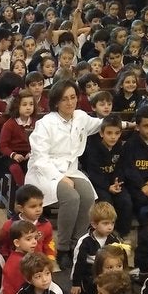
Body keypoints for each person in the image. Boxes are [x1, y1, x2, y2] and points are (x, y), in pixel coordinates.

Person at [26, 80, 105, 264]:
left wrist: (129, 124)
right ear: (56, 103)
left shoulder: (80, 116)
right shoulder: (46, 123)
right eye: (64, 99)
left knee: (87, 196)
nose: (70, 103)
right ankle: (62, 248)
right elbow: (39, 157)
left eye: (73, 98)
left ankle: (76, 243)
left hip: (70, 169)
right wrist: (60, 177)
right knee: (71, 197)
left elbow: (100, 124)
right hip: (45, 171)